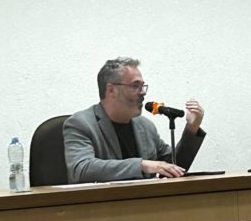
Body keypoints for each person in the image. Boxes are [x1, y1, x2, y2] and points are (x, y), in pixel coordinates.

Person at [63, 57, 206, 183]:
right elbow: (80, 169)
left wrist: (192, 128)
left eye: (142, 86)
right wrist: (141, 165)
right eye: (135, 86)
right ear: (111, 90)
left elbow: (174, 167)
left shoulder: (145, 126)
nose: (143, 92)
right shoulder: (81, 124)